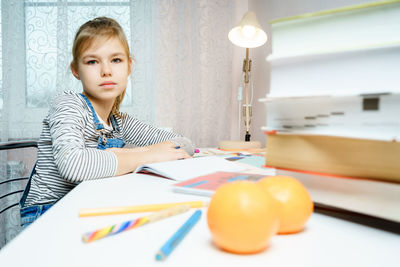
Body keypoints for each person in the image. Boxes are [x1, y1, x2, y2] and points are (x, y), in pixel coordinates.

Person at [19, 17, 194, 228]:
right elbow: (74, 165)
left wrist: (142, 152)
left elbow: (185, 144)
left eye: (116, 60)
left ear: (129, 66)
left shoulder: (119, 121)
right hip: (48, 213)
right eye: (92, 61)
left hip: (87, 206)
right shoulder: (68, 105)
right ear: (76, 69)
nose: (106, 71)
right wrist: (147, 154)